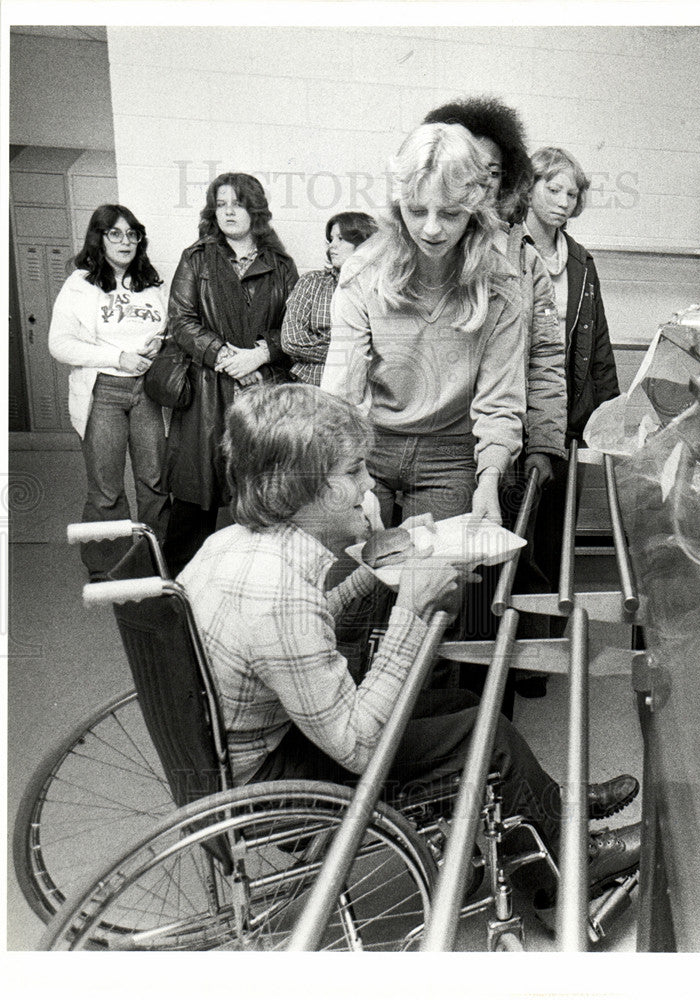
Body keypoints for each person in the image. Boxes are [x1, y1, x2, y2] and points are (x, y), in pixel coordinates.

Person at [179, 383, 640, 897]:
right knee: (486, 736)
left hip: (239, 754)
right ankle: (570, 871)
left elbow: (290, 642)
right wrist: (411, 609)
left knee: (459, 702)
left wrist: (376, 570)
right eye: (354, 470)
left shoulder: (231, 547)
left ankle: (548, 808)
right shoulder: (280, 594)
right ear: (305, 487)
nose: (369, 483)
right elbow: (358, 748)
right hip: (274, 785)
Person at [322, 122, 526, 531]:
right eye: (417, 211)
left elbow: (499, 402)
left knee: (434, 584)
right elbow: (342, 389)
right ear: (399, 208)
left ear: (474, 210)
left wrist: (488, 480)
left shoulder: (501, 286)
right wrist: (339, 469)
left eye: (450, 213)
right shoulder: (362, 274)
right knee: (355, 575)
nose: (432, 228)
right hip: (368, 447)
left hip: (451, 457)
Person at [422, 97, 567, 490]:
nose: (483, 180)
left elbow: (546, 359)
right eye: (471, 166)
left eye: (495, 171)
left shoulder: (526, 262)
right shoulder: (426, 247)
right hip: (430, 454)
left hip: (505, 447)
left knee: (503, 546)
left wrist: (544, 441)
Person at [163, 172, 298, 576]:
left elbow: (296, 328)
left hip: (261, 392)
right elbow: (181, 321)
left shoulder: (281, 265)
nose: (228, 212)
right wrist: (226, 356)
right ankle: (182, 592)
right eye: (220, 205)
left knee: (261, 492)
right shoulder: (197, 258)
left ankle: (253, 582)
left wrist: (260, 355)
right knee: (194, 500)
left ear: (254, 209)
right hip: (207, 391)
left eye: (236, 203)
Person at [49, 204, 169, 579]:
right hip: (103, 391)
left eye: (131, 233)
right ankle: (108, 568)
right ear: (98, 238)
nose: (125, 241)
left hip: (149, 390)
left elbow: (167, 329)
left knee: (155, 482)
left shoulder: (150, 282)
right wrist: (117, 357)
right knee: (106, 489)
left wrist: (158, 345)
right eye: (115, 233)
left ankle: (154, 563)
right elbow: (59, 344)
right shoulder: (80, 284)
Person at [525, 147, 620, 599]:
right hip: (511, 408)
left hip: (567, 415)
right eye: (553, 188)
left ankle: (539, 659)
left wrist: (609, 419)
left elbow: (598, 344)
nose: (564, 200)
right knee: (504, 540)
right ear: (529, 187)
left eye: (573, 192)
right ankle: (492, 653)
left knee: (551, 541)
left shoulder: (581, 261)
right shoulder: (503, 248)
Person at [282, 211, 377, 386]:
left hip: (362, 389)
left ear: (363, 242)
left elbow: (383, 347)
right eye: (331, 239)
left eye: (341, 239)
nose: (332, 246)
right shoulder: (311, 282)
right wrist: (350, 348)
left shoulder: (378, 288)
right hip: (310, 387)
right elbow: (290, 341)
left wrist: (322, 342)